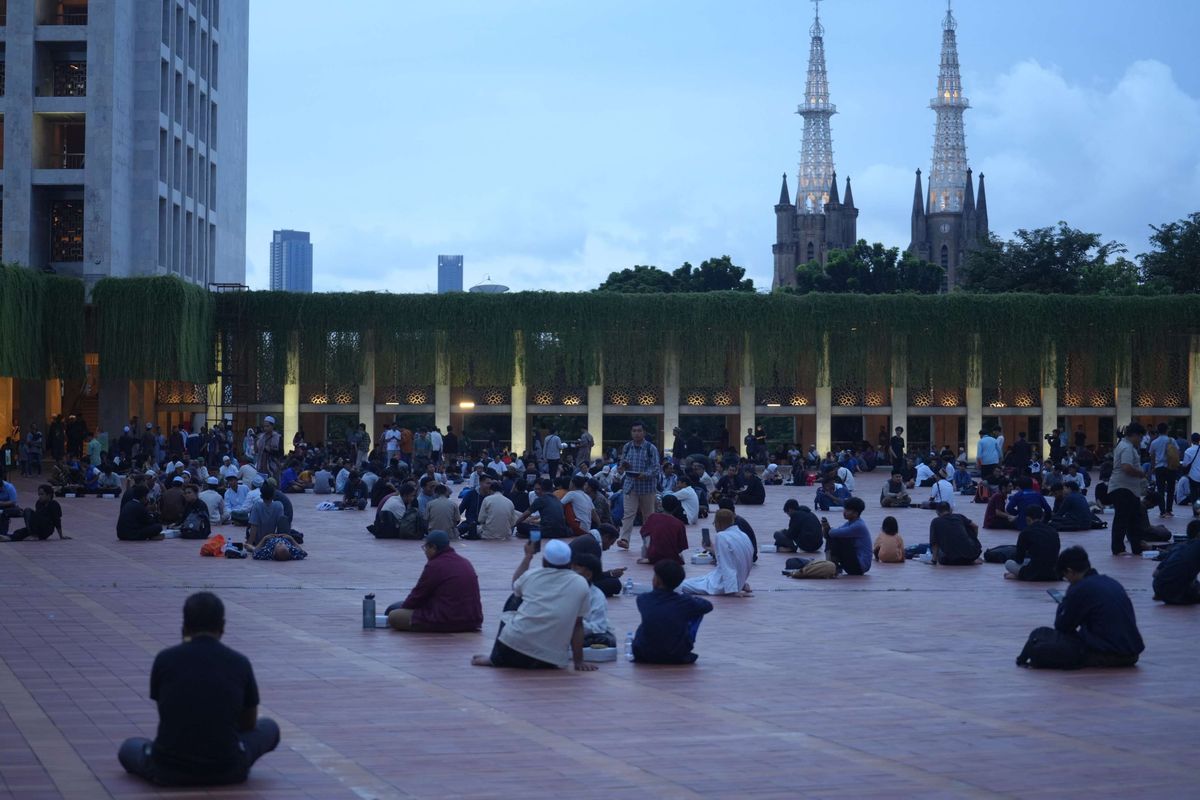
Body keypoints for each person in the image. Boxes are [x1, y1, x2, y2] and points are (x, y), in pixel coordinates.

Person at [118, 592, 280, 786]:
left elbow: (168, 713)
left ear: (185, 625)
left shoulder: (165, 659)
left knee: (129, 747)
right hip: (226, 768)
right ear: (222, 626)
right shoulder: (239, 663)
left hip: (168, 769)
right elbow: (248, 724)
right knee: (269, 727)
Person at [471, 539, 597, 671]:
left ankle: (494, 658)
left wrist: (528, 556)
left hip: (511, 650)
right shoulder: (581, 583)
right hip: (549, 659)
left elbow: (515, 586)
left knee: (513, 599)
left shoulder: (532, 575)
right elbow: (578, 625)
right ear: (569, 562)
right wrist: (579, 661)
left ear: (544, 560)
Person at [1016, 547, 1144, 669]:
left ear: (1070, 571)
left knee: (1041, 645)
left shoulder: (1080, 589)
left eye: (1066, 577)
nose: (1067, 581)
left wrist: (1065, 600)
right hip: (1132, 652)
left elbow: (1062, 626)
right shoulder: (1110, 581)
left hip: (1109, 654)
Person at [384, 530, 484, 631]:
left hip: (448, 620)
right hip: (473, 620)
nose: (425, 552)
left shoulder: (435, 565)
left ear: (433, 548)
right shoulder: (465, 562)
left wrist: (403, 609)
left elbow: (417, 596)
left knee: (394, 616)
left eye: (426, 548)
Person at [632, 560, 714, 664]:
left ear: (657, 580)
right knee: (695, 611)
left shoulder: (643, 599)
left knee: (650, 622)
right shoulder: (685, 602)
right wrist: (688, 598)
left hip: (645, 653)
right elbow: (707, 606)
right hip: (676, 653)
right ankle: (685, 641)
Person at [680, 509, 753, 595]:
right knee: (697, 580)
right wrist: (711, 549)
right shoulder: (743, 535)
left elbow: (727, 565)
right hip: (738, 581)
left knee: (681, 585)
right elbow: (735, 558)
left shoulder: (721, 536)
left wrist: (733, 591)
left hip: (723, 585)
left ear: (718, 523)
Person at [617, 420, 660, 550]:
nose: (636, 433)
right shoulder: (627, 447)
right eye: (634, 431)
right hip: (630, 486)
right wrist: (623, 466)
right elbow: (622, 465)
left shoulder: (650, 448)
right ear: (631, 433)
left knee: (648, 516)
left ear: (644, 433)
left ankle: (648, 541)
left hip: (647, 487)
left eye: (639, 431)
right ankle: (624, 539)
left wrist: (645, 474)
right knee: (628, 514)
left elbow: (656, 468)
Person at [1109, 423, 1148, 555]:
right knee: (1123, 519)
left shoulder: (1125, 446)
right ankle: (1118, 548)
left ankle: (1137, 546)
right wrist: (1141, 474)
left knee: (1132, 519)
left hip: (1128, 489)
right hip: (1123, 488)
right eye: (1140, 438)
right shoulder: (1126, 447)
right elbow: (1126, 467)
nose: (1140, 441)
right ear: (1135, 435)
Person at [571, 553, 617, 647]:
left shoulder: (597, 596)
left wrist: (576, 623)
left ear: (588, 575)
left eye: (576, 573)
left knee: (604, 639)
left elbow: (598, 627)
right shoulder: (567, 590)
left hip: (588, 633)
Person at [1004, 506, 1061, 581]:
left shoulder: (1025, 532)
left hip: (1034, 574)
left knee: (1008, 563)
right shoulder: (1053, 531)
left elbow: (1019, 559)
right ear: (1042, 517)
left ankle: (1019, 575)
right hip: (1053, 573)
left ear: (1028, 519)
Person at [568, 524, 627, 596]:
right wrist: (611, 574)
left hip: (570, 578)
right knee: (615, 584)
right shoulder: (594, 545)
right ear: (606, 537)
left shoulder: (587, 538)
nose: (609, 548)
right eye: (610, 543)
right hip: (574, 582)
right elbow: (594, 577)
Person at [1152, 520, 1200, 605]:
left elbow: (1155, 574)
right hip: (1178, 594)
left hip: (1158, 586)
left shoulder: (1180, 546)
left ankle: (1163, 593)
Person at [820, 497, 872, 576]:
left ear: (855, 513)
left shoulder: (858, 526)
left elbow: (833, 533)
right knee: (835, 538)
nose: (844, 512)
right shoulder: (850, 523)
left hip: (860, 566)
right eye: (845, 509)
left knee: (837, 539)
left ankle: (830, 566)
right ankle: (832, 565)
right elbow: (833, 533)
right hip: (854, 564)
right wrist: (827, 529)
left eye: (847, 510)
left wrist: (828, 529)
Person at [0, 484, 68, 541]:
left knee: (28, 510)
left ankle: (34, 535)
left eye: (42, 494)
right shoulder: (39, 503)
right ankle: (8, 538)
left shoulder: (54, 504)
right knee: (20, 532)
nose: (40, 497)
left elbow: (57, 520)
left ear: (49, 495)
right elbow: (35, 518)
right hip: (36, 527)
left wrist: (61, 536)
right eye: (39, 494)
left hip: (46, 528)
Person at [1148, 422, 1177, 518]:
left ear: (1158, 431)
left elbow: (1152, 456)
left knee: (1160, 489)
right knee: (1171, 489)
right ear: (1167, 430)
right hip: (1170, 467)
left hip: (1159, 468)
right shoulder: (1171, 440)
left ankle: (1162, 511)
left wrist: (1152, 468)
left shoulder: (1154, 442)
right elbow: (1177, 452)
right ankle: (1169, 510)